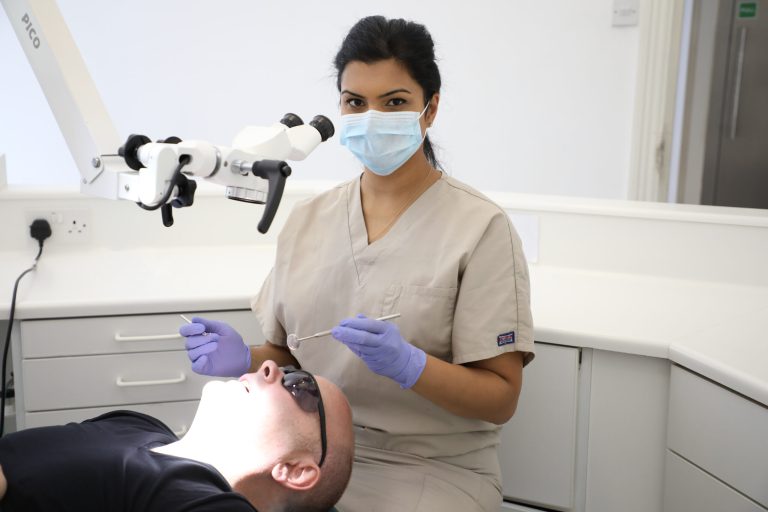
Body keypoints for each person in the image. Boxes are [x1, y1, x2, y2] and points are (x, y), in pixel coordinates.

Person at [181, 15, 534, 512]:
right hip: (309, 448)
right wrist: (244, 359)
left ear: (429, 109)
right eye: (355, 102)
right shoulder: (309, 220)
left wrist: (412, 366)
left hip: (430, 464)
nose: (371, 117)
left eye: (394, 102)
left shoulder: (481, 228)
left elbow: (500, 398)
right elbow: (291, 357)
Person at [0, 361, 354, 512]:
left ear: (295, 469)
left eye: (300, 387)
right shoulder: (137, 424)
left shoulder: (207, 502)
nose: (270, 367)